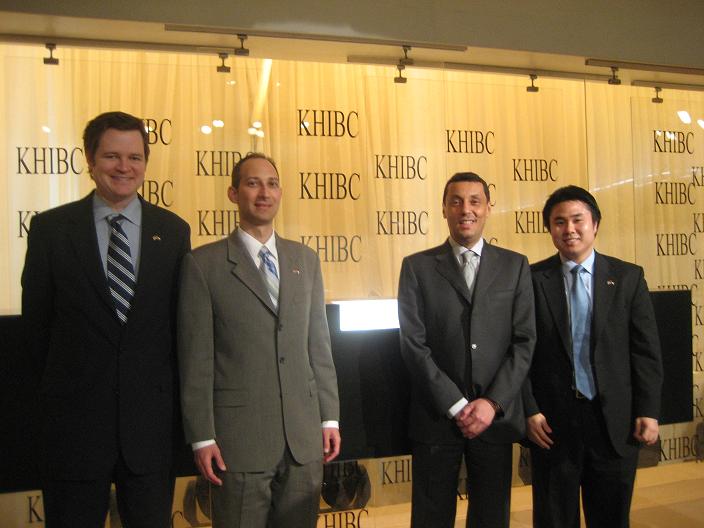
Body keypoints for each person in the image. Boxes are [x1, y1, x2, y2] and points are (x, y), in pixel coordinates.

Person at [21, 111, 191, 527]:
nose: (124, 167)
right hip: (74, 430)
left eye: (134, 157)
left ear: (146, 163)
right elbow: (36, 332)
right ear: (90, 160)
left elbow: (179, 330)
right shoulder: (51, 230)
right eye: (112, 156)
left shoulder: (173, 232)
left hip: (149, 431)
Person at [177, 152, 341, 528]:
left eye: (271, 183)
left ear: (281, 192)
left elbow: (319, 346)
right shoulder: (203, 265)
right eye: (253, 183)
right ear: (233, 194)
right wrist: (202, 437)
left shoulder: (306, 260)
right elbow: (196, 361)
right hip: (239, 446)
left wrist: (329, 417)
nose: (263, 192)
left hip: (303, 441)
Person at [397, 172, 535, 528]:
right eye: (456, 201)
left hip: (494, 418)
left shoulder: (515, 265)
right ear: (444, 209)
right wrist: (456, 404)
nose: (465, 209)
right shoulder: (417, 267)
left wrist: (492, 403)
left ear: (489, 207)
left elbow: (524, 341)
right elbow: (414, 344)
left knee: (491, 517)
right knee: (431, 518)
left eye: (475, 201)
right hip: (436, 417)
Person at [523, 185, 663, 528]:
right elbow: (519, 351)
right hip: (552, 424)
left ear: (595, 224)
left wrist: (648, 410)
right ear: (549, 229)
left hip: (613, 421)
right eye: (559, 222)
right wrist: (528, 409)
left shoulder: (628, 277)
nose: (569, 229)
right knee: (554, 518)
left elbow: (645, 351)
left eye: (577, 220)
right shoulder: (530, 279)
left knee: (612, 517)